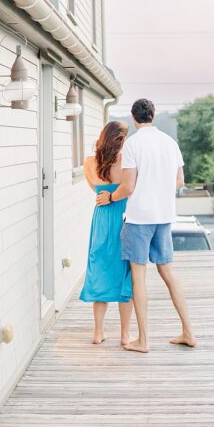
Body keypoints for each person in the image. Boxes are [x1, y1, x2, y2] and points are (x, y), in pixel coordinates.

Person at [96, 98, 196, 354]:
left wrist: (109, 197)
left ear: (133, 117)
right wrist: (158, 187)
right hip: (164, 217)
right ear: (153, 115)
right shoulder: (170, 143)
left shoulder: (133, 144)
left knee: (138, 278)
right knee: (169, 274)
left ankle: (143, 340)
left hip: (139, 218)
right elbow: (179, 181)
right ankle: (188, 332)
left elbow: (128, 186)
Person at [80, 121, 134, 346]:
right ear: (120, 139)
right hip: (123, 215)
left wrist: (106, 191)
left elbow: (96, 189)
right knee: (125, 275)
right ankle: (124, 335)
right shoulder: (126, 161)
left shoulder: (90, 162)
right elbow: (130, 187)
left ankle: (98, 332)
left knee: (100, 268)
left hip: (102, 217)